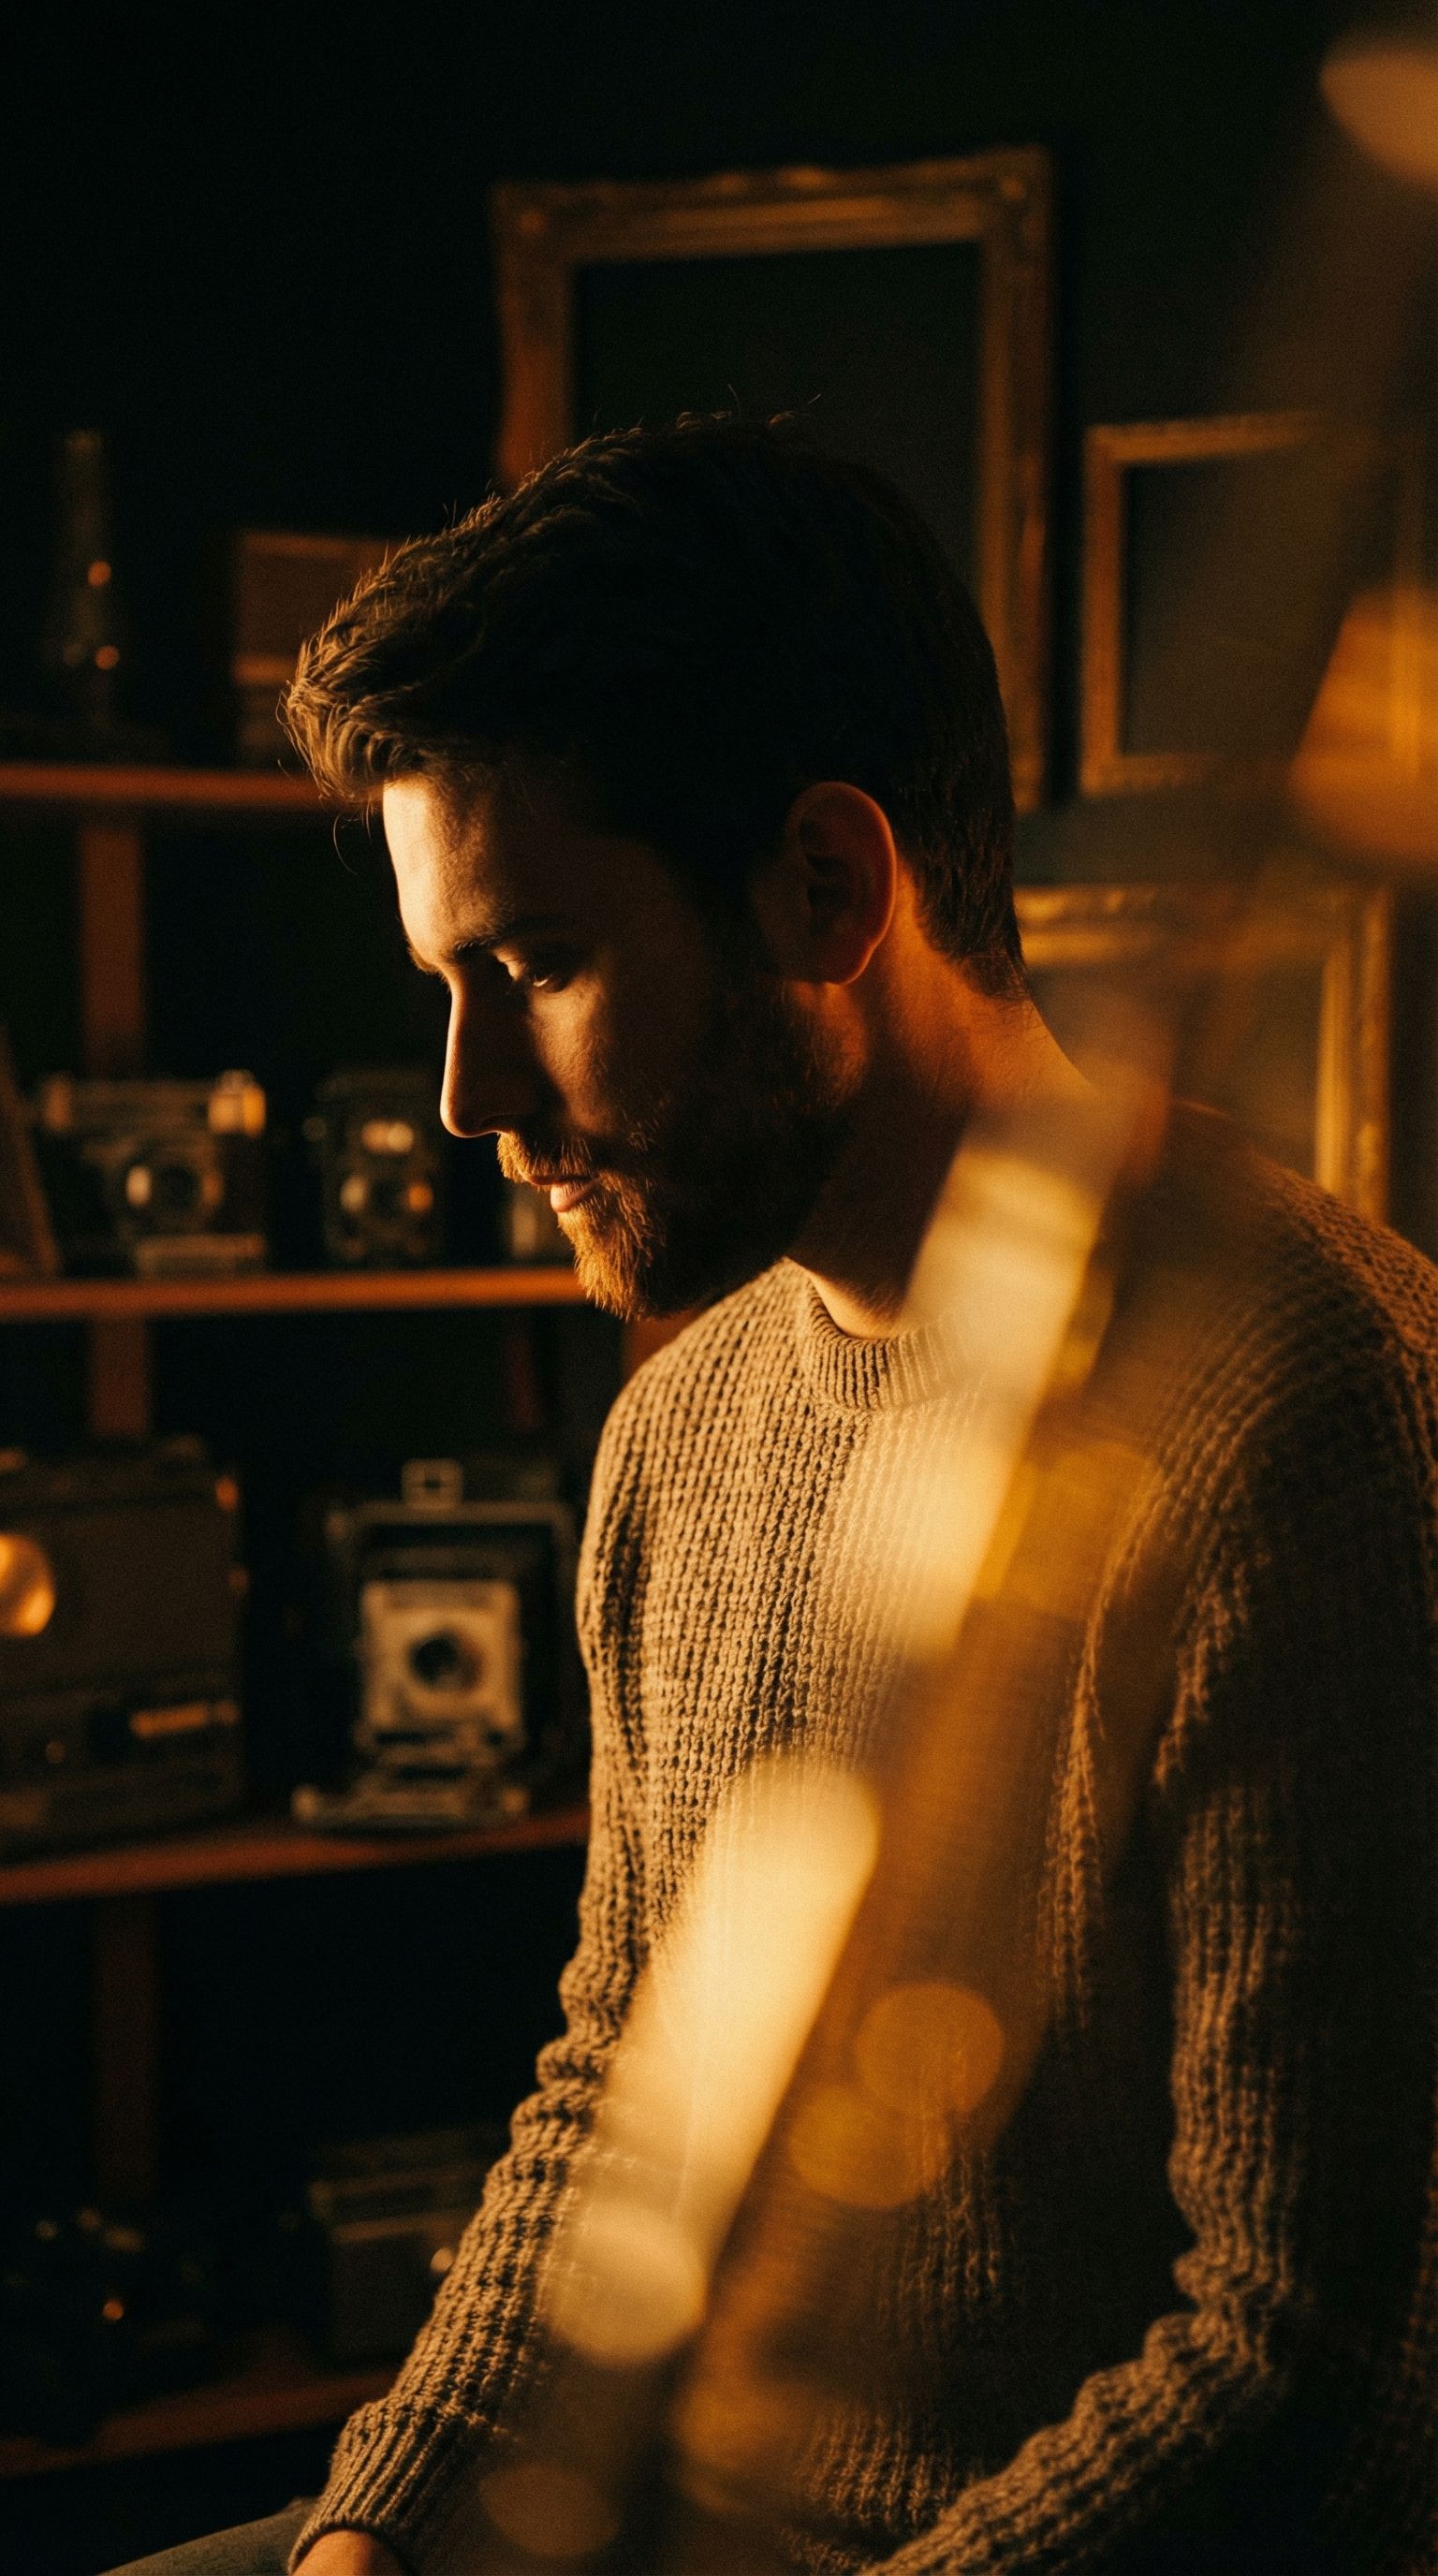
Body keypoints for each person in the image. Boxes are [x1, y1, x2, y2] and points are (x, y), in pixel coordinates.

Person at [112, 417, 1435, 2576]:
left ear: (826, 885)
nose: (466, 1105)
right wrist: (376, 2525)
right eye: (441, 991)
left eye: (530, 971)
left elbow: (1322, 2364)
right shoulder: (677, 1426)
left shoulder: (1307, 1413)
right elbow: (625, 2085)